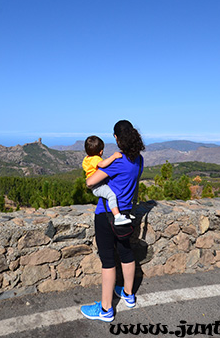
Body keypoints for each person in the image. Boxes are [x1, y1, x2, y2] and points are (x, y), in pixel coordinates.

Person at [80, 120, 145, 322]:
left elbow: (90, 182)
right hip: (126, 214)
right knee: (126, 253)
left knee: (108, 261)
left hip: (106, 215)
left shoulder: (118, 161)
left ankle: (106, 309)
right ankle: (128, 294)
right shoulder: (139, 160)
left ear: (117, 138)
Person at [82, 135, 131, 226]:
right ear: (101, 152)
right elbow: (102, 164)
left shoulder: (87, 159)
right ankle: (117, 216)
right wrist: (114, 156)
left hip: (95, 186)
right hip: (97, 185)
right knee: (111, 195)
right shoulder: (95, 159)